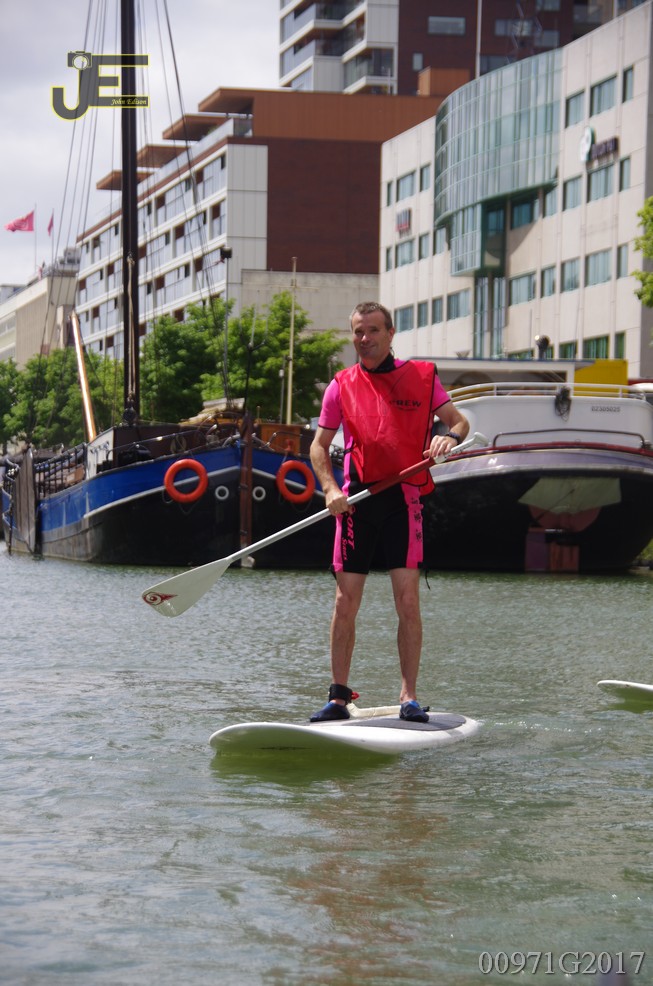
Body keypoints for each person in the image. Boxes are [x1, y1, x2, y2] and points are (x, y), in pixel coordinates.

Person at [309, 301, 469, 723]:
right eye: (358, 331)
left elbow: (458, 422)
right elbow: (319, 447)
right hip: (357, 502)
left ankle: (408, 698)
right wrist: (330, 489)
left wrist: (448, 438)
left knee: (408, 601)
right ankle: (338, 697)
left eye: (373, 330)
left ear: (390, 333)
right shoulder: (340, 385)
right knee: (345, 601)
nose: (365, 339)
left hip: (403, 500)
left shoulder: (421, 377)